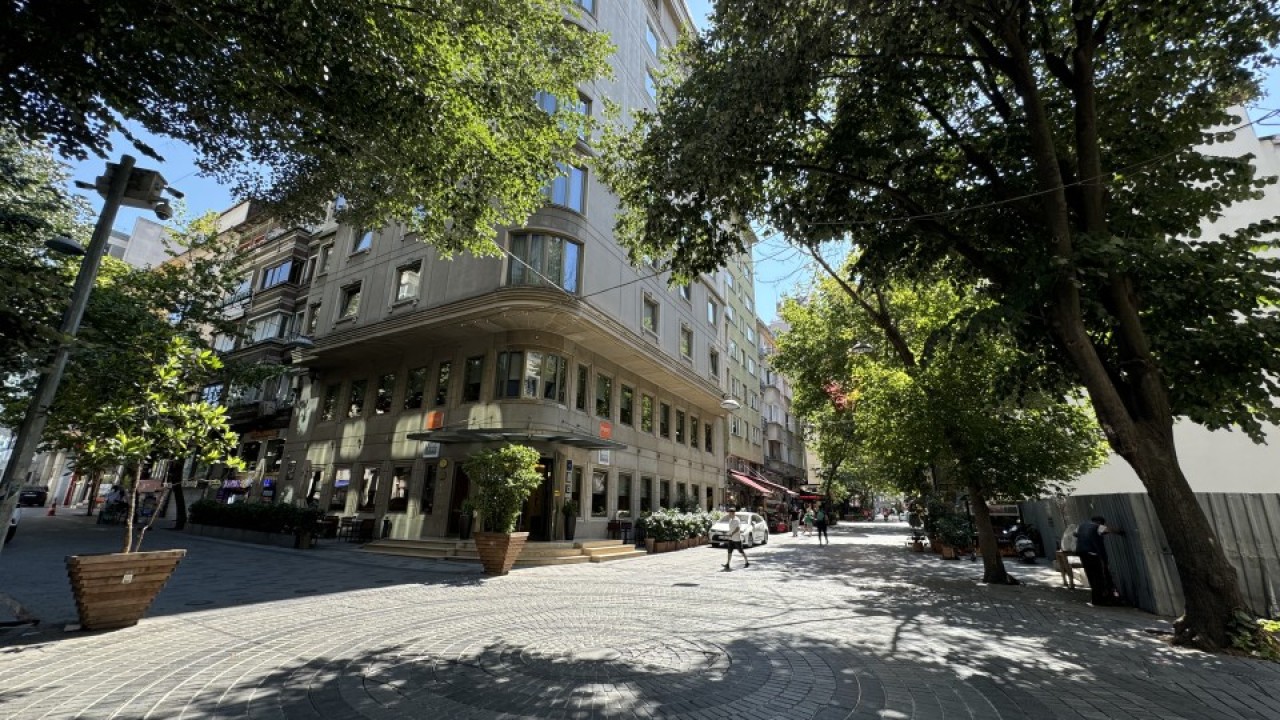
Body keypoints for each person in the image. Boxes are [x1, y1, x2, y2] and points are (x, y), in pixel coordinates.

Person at [1075, 515, 1125, 606]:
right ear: (1100, 522)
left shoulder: (1082, 526)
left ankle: (1095, 598)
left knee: (1090, 575)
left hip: (1082, 553)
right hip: (1092, 554)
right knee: (1098, 576)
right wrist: (1120, 532)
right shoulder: (1097, 526)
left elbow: (1075, 534)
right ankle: (1100, 599)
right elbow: (1110, 530)